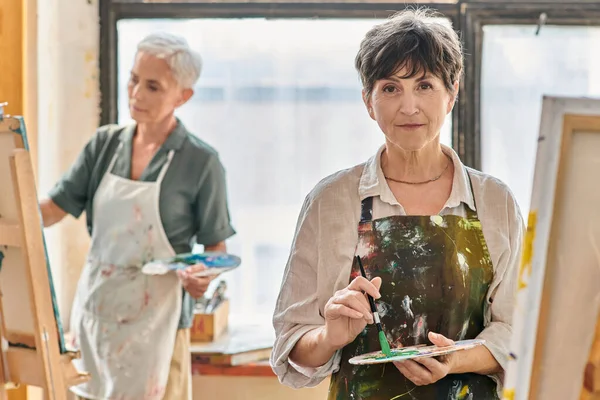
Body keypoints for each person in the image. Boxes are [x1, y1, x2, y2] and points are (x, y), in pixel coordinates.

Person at [271, 8, 524, 400]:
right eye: (390, 88)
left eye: (424, 86)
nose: (409, 107)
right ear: (368, 102)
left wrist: (455, 359)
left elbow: (520, 332)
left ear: (452, 93)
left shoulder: (495, 201)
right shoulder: (330, 201)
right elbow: (293, 343)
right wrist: (330, 334)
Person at [40, 32, 236, 400]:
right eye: (132, 79)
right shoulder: (104, 144)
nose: (136, 94)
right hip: (95, 317)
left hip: (157, 328)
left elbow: (216, 247)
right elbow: (50, 210)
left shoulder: (201, 163)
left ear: (183, 96)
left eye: (153, 86)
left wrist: (201, 276)